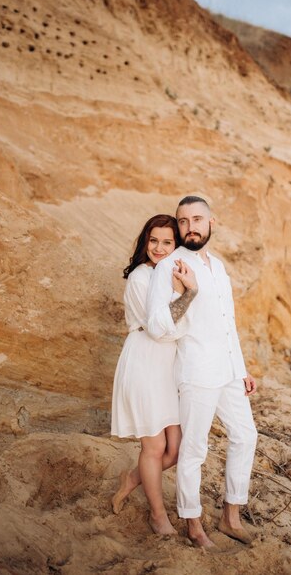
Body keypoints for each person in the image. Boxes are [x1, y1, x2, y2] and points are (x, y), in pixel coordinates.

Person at [147, 196, 258, 548]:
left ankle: (230, 516)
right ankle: (193, 525)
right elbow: (156, 325)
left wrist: (241, 369)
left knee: (246, 435)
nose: (190, 226)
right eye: (183, 221)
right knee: (195, 449)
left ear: (212, 222)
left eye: (197, 219)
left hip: (227, 370)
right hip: (196, 370)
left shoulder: (220, 266)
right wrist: (188, 292)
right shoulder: (170, 266)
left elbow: (229, 324)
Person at [111, 214, 197, 535]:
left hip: (166, 369)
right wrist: (186, 294)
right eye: (153, 240)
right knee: (154, 447)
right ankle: (158, 516)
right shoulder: (140, 278)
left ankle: (133, 478)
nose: (159, 248)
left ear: (176, 246)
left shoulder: (167, 273)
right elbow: (159, 329)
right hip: (144, 362)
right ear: (145, 242)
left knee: (175, 449)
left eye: (167, 242)